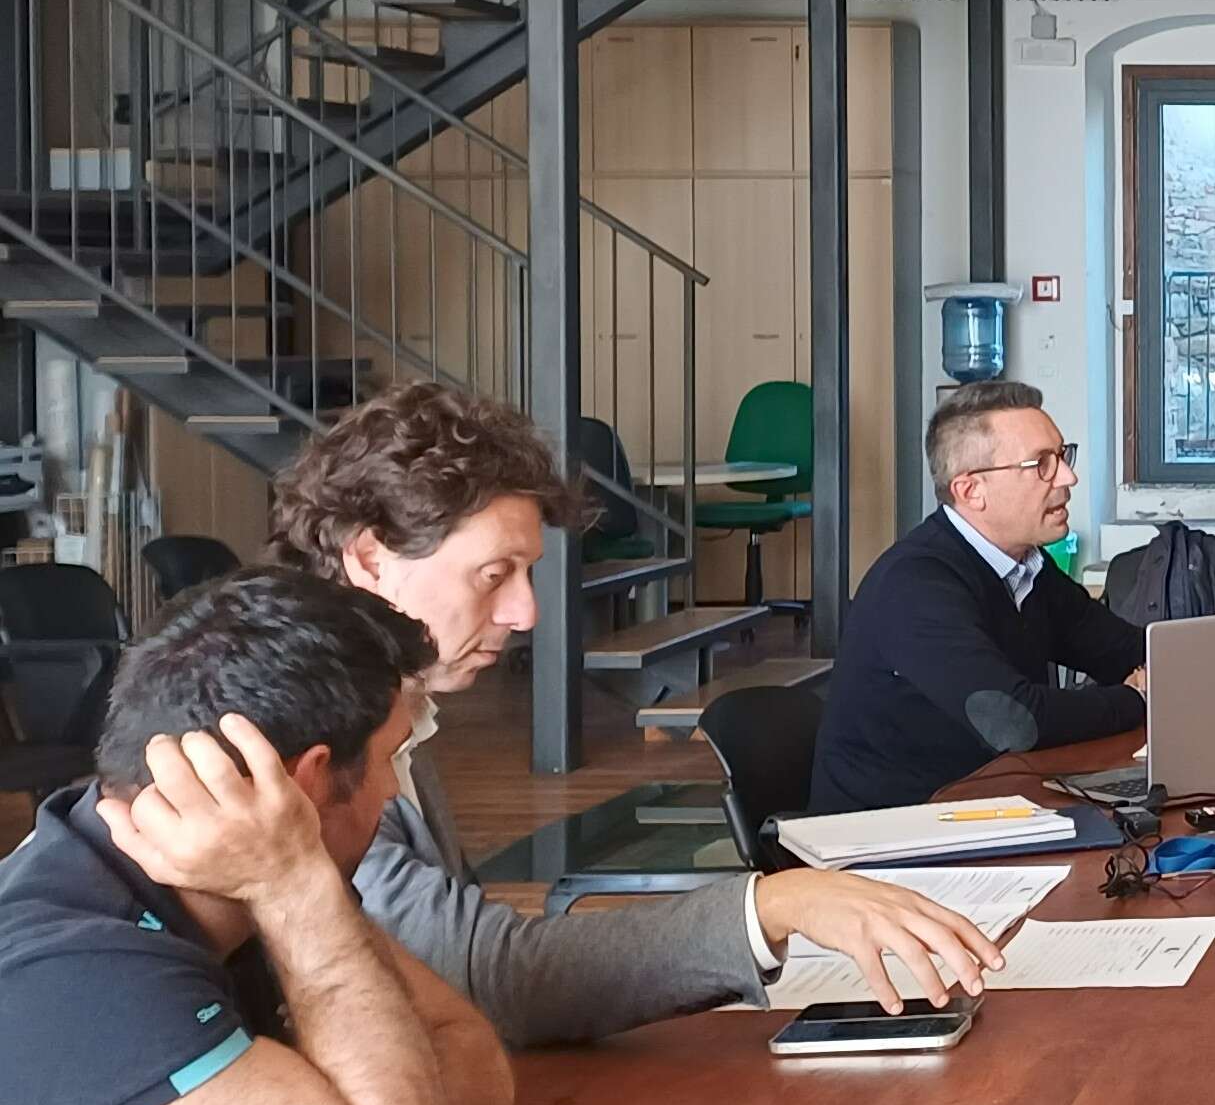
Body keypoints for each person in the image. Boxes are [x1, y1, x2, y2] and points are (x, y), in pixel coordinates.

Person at [274, 386, 1007, 1048]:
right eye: (494, 575)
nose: (525, 612)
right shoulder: (306, 739)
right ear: (370, 558)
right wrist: (770, 906)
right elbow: (485, 975)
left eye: (526, 575)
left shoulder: (391, 705)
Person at [0, 570, 516, 1105]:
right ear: (304, 780)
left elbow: (477, 1063)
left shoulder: (217, 880)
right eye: (392, 754)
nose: (392, 789)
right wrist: (293, 883)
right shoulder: (64, 968)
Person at [810, 381, 1149, 812]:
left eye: (1063, 456)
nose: (1068, 477)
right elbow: (1014, 721)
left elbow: (1128, 650)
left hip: (993, 803)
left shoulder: (1027, 566)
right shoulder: (915, 585)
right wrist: (1137, 699)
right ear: (971, 491)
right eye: (1042, 464)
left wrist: (1172, 672)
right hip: (896, 828)